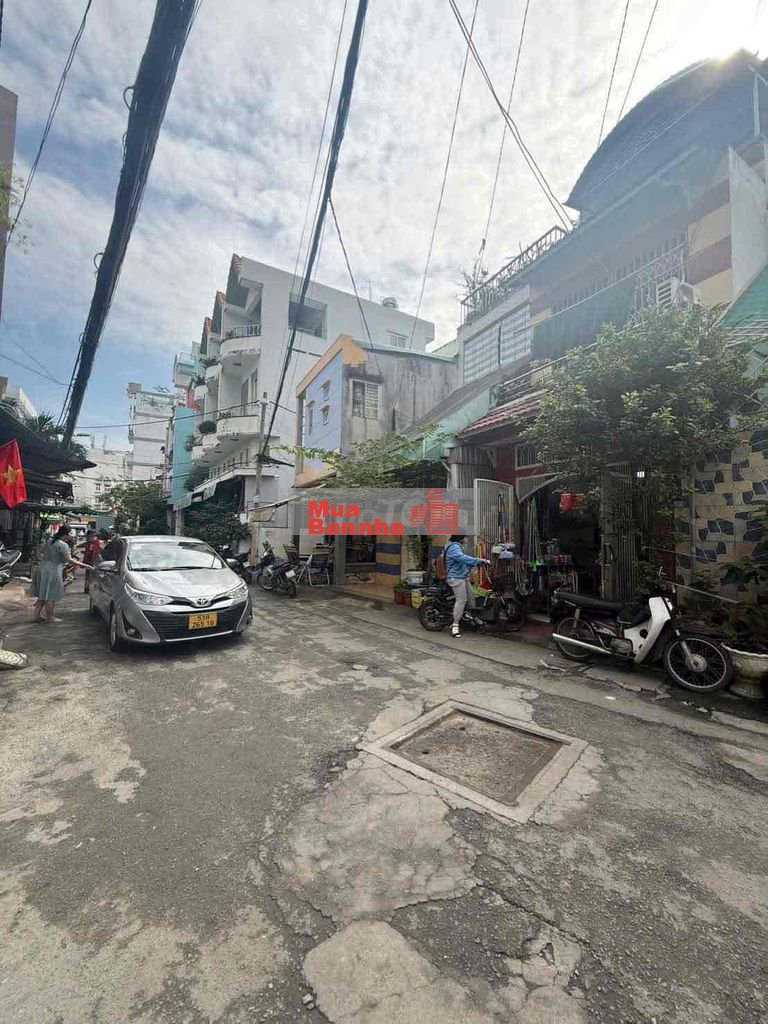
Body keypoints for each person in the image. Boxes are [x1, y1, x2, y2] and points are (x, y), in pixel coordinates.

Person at [32, 525, 88, 623]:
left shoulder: (49, 541)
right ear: (65, 535)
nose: (71, 536)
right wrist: (85, 565)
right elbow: (69, 559)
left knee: (42, 593)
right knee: (51, 595)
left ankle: (36, 615)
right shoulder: (63, 545)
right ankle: (50, 617)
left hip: (42, 568)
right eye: (70, 533)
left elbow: (39, 551)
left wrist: (41, 560)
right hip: (53, 570)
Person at [444, 534, 489, 639]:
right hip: (456, 578)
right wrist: (479, 560)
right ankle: (455, 625)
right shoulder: (454, 547)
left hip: (463, 577)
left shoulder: (457, 547)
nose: (466, 539)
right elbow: (462, 559)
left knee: (471, 598)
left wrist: (477, 563)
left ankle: (472, 616)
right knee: (461, 600)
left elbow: (463, 562)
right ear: (460, 538)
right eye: (465, 537)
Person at [82, 529, 103, 593]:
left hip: (96, 562)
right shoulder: (88, 543)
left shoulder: (98, 543)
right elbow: (88, 552)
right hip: (89, 562)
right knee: (88, 576)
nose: (91, 538)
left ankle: (95, 588)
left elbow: (101, 552)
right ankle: (87, 588)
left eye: (93, 536)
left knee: (96, 576)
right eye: (89, 537)